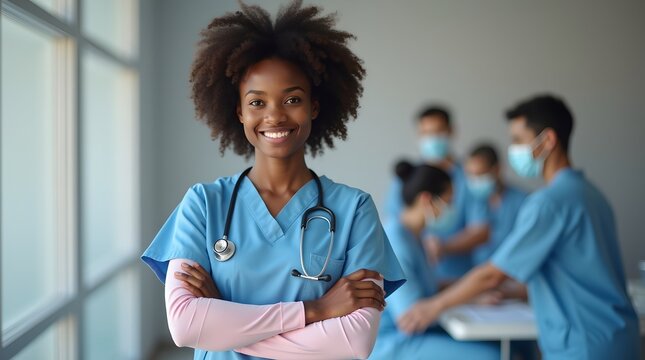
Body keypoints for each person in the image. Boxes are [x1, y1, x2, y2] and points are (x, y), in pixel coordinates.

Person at [140, 2, 405, 359]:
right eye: (257, 102)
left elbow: (354, 341)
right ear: (239, 111)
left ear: (314, 105)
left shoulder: (355, 209)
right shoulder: (203, 204)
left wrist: (225, 322)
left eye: (292, 99)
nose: (275, 116)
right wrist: (318, 310)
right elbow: (186, 325)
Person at [400, 94, 641, 359]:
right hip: (619, 337)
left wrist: (433, 307)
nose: (513, 149)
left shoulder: (548, 203)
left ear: (548, 140)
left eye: (517, 140)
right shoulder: (591, 194)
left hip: (585, 344)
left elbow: (493, 274)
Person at [371, 161, 499, 359]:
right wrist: (465, 297)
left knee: (497, 344)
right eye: (448, 202)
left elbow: (427, 287)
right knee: (491, 356)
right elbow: (411, 317)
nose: (452, 210)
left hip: (415, 334)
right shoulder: (395, 238)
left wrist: (474, 292)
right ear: (426, 200)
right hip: (395, 341)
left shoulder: (415, 236)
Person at [384, 106, 489, 283]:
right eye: (426, 133)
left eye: (437, 132)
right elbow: (395, 224)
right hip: (417, 276)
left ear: (450, 131)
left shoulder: (468, 178)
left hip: (457, 277)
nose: (432, 139)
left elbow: (481, 230)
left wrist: (444, 247)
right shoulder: (408, 177)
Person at [464, 144, 528, 267]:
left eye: (480, 174)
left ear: (497, 169)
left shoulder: (522, 201)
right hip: (480, 273)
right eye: (471, 175)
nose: (475, 181)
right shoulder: (476, 202)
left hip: (512, 275)